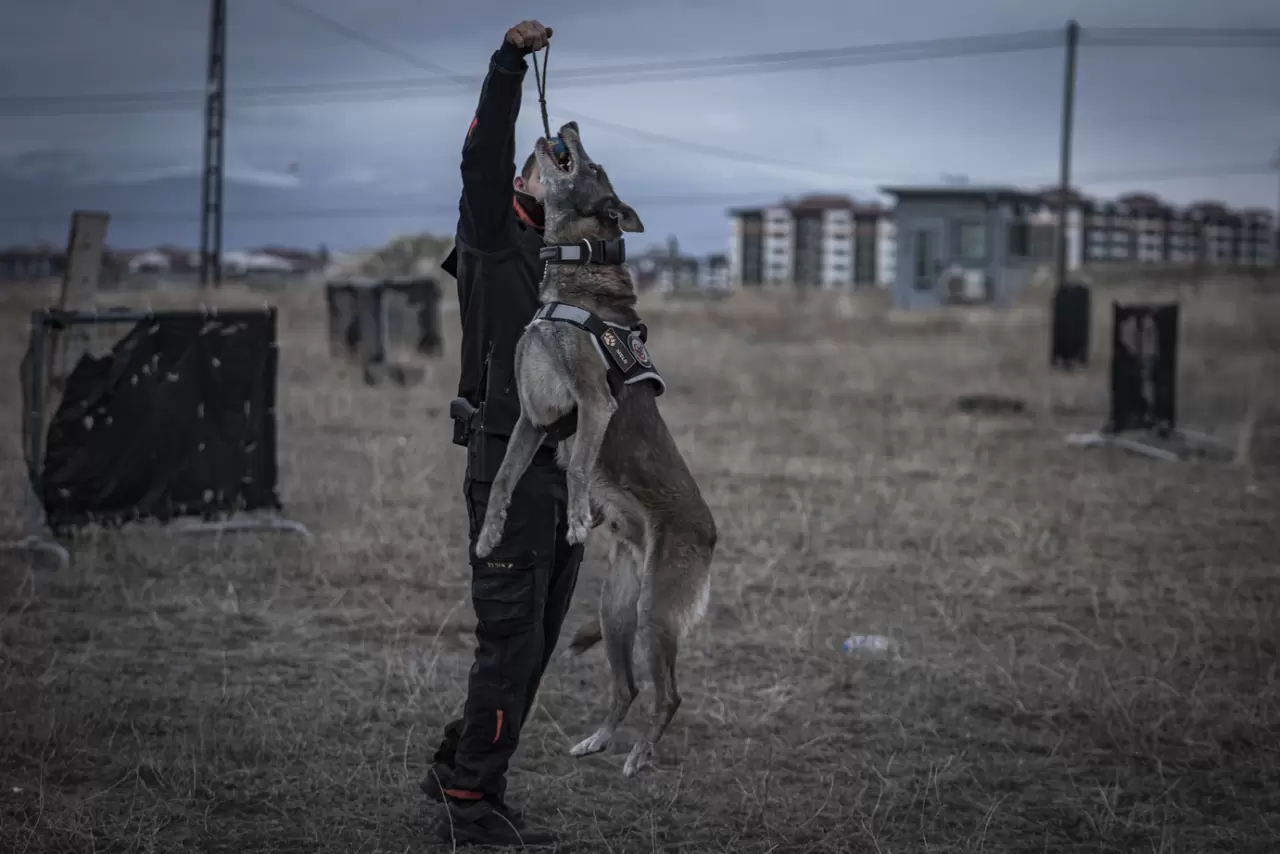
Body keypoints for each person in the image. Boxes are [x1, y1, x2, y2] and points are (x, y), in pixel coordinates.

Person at [422, 19, 579, 848]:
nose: (555, 165)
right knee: (510, 642)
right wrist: (508, 64)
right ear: (521, 180)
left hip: (567, 481)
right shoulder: (493, 236)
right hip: (508, 478)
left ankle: (457, 759)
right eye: (543, 160)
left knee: (535, 647)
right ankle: (471, 805)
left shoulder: (570, 265)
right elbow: (480, 156)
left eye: (569, 168)